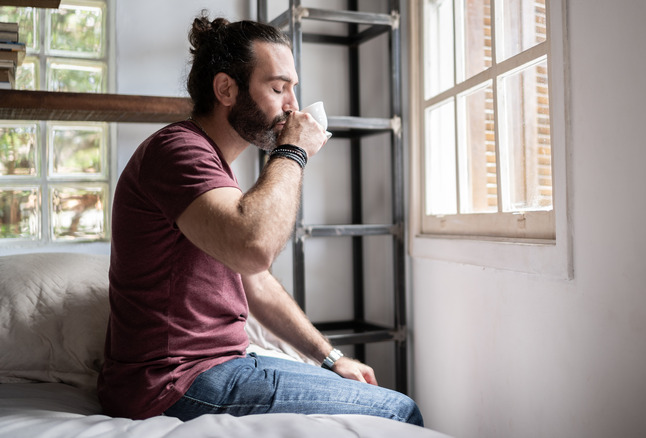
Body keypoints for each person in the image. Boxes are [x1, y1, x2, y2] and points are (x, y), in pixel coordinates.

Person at [97, 14, 423, 427]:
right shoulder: (179, 152)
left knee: (375, 397)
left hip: (217, 366)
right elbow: (254, 248)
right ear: (226, 89)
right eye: (277, 87)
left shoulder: (212, 166)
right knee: (400, 410)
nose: (292, 105)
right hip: (174, 382)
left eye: (293, 89)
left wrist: (331, 357)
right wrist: (293, 152)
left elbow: (256, 281)